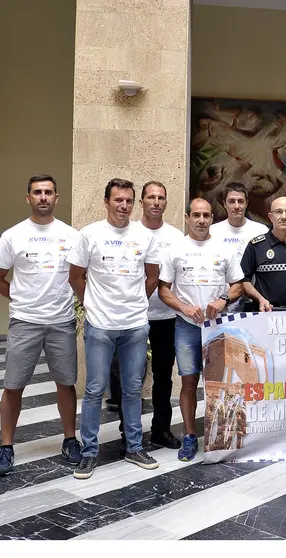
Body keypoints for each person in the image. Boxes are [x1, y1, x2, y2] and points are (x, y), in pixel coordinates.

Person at [67, 178, 161, 479]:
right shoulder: (89, 234)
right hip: (100, 326)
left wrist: (136, 302)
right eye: (118, 200)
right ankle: (89, 452)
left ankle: (134, 447)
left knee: (132, 390)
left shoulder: (144, 236)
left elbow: (152, 276)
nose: (124, 206)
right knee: (94, 390)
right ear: (106, 201)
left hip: (135, 326)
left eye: (129, 201)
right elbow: (75, 276)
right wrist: (92, 305)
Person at [0, 175, 82, 475]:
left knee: (66, 383)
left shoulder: (72, 236)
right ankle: (5, 446)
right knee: (13, 385)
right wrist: (20, 297)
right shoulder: (13, 236)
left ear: (57, 197)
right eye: (37, 192)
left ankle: (70, 439)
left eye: (48, 192)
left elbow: (80, 276)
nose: (43, 197)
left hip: (61, 321)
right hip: (25, 321)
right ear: (28, 198)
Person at [159, 198, 244, 462]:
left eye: (206, 215)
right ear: (187, 218)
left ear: (211, 218)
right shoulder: (174, 249)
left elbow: (238, 285)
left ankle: (220, 437)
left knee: (218, 384)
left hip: (217, 327)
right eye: (196, 215)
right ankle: (189, 436)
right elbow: (163, 290)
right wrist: (184, 308)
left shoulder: (224, 248)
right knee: (188, 383)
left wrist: (223, 300)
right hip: (186, 327)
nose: (201, 220)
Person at [106, 181, 183, 452]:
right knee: (129, 377)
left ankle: (161, 429)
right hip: (131, 318)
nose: (156, 202)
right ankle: (128, 431)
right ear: (141, 202)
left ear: (166, 203)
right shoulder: (130, 232)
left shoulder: (176, 236)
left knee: (163, 376)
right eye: (151, 197)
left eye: (161, 198)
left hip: (166, 317)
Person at [209, 182, 269, 312]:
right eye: (231, 201)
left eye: (240, 201)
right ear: (224, 204)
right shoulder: (213, 231)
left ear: (247, 203)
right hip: (221, 301)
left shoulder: (261, 231)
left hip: (253, 300)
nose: (236, 206)